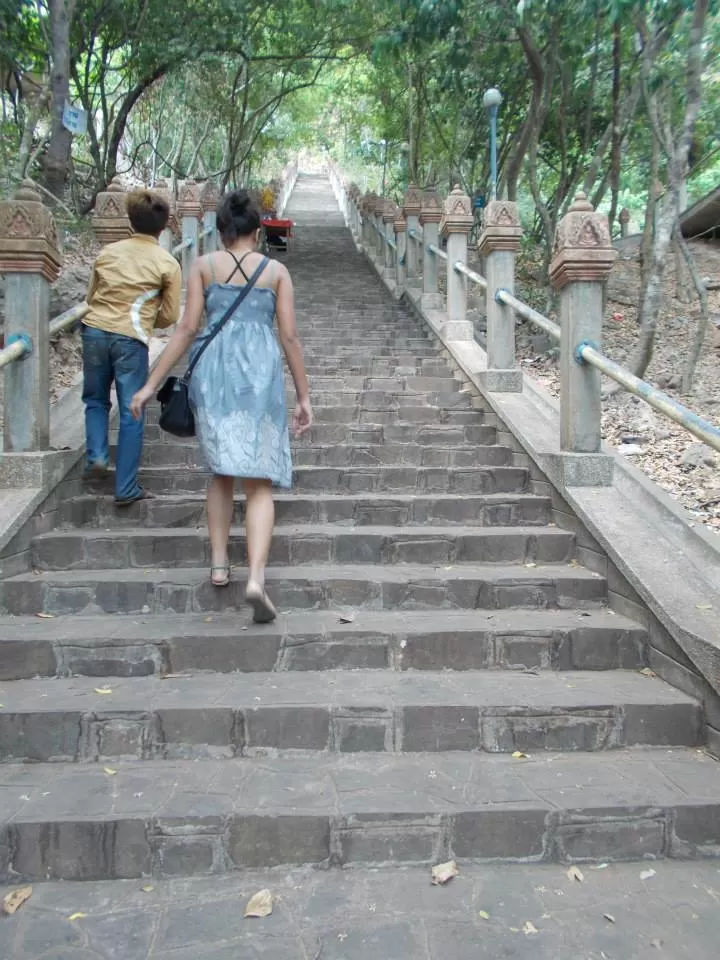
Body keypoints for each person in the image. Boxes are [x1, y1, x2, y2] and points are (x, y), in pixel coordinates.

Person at [130, 189, 312, 623]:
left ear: (222, 228)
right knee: (259, 480)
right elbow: (289, 337)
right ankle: (256, 578)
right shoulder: (276, 272)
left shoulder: (203, 266)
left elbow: (187, 329)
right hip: (260, 375)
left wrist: (149, 385)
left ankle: (218, 563)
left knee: (222, 471)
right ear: (257, 230)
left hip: (213, 372)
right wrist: (304, 396)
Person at [82, 188, 181, 504]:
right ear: (163, 227)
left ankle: (97, 455)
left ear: (130, 221)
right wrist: (150, 320)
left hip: (94, 331)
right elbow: (170, 315)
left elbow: (91, 296)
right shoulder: (167, 263)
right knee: (132, 409)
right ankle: (125, 487)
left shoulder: (108, 253)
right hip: (131, 338)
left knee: (95, 399)